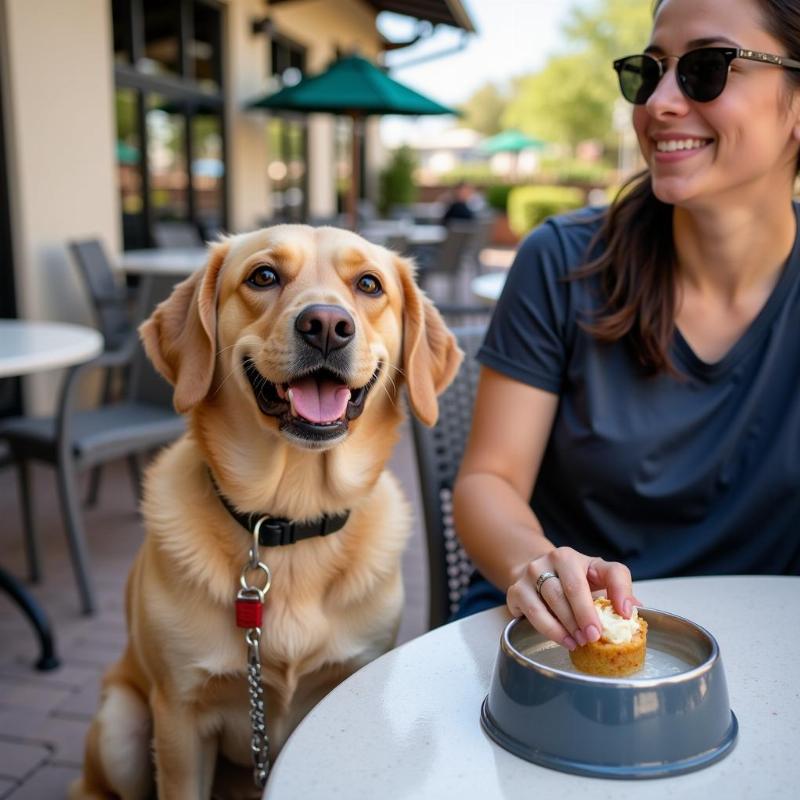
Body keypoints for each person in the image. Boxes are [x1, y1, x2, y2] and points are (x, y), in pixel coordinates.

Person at [452, 0, 800, 652]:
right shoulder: (561, 261)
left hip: (766, 659)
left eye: (705, 68)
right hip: (559, 645)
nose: (659, 102)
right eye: (650, 70)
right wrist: (538, 565)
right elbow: (487, 482)